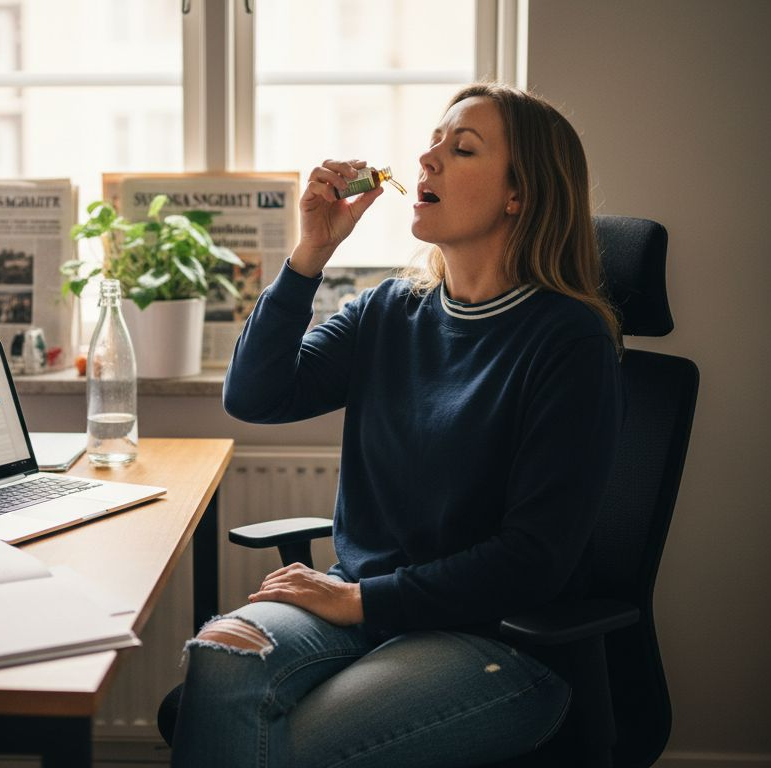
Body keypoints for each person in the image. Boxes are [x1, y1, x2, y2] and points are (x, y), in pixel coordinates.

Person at [169, 82, 626, 768]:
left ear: (519, 195)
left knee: (283, 745)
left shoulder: (569, 339)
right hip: (364, 610)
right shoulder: (390, 309)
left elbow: (534, 558)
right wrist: (309, 255)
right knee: (221, 659)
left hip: (497, 642)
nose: (428, 156)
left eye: (461, 147)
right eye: (434, 140)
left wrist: (360, 599)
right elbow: (257, 395)